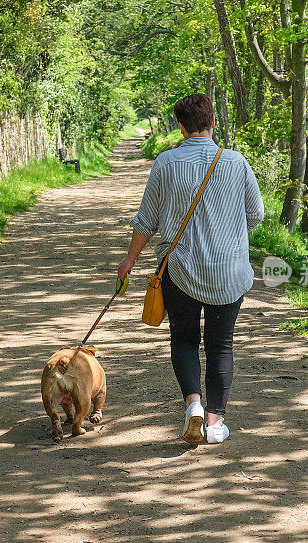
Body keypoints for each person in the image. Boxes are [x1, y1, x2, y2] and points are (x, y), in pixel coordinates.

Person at [117, 93, 265, 444]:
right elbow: (256, 215)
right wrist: (227, 232)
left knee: (184, 339)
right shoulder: (235, 162)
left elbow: (146, 220)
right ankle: (215, 424)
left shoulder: (166, 163)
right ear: (213, 123)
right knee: (221, 345)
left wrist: (130, 260)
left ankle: (193, 405)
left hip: (179, 270)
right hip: (228, 272)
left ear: (181, 128)